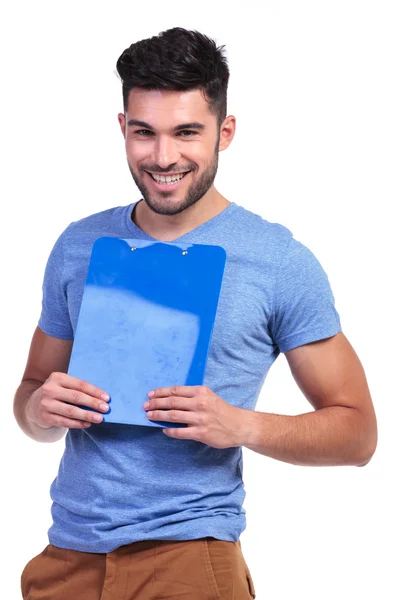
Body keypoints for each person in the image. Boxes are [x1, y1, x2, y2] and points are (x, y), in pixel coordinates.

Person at [14, 27, 377, 600]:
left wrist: (243, 425)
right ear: (122, 129)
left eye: (187, 132)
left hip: (188, 556)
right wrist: (40, 407)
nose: (163, 157)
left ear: (224, 132)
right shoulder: (78, 244)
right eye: (144, 133)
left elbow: (358, 434)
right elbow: (31, 400)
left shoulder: (277, 259)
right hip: (66, 558)